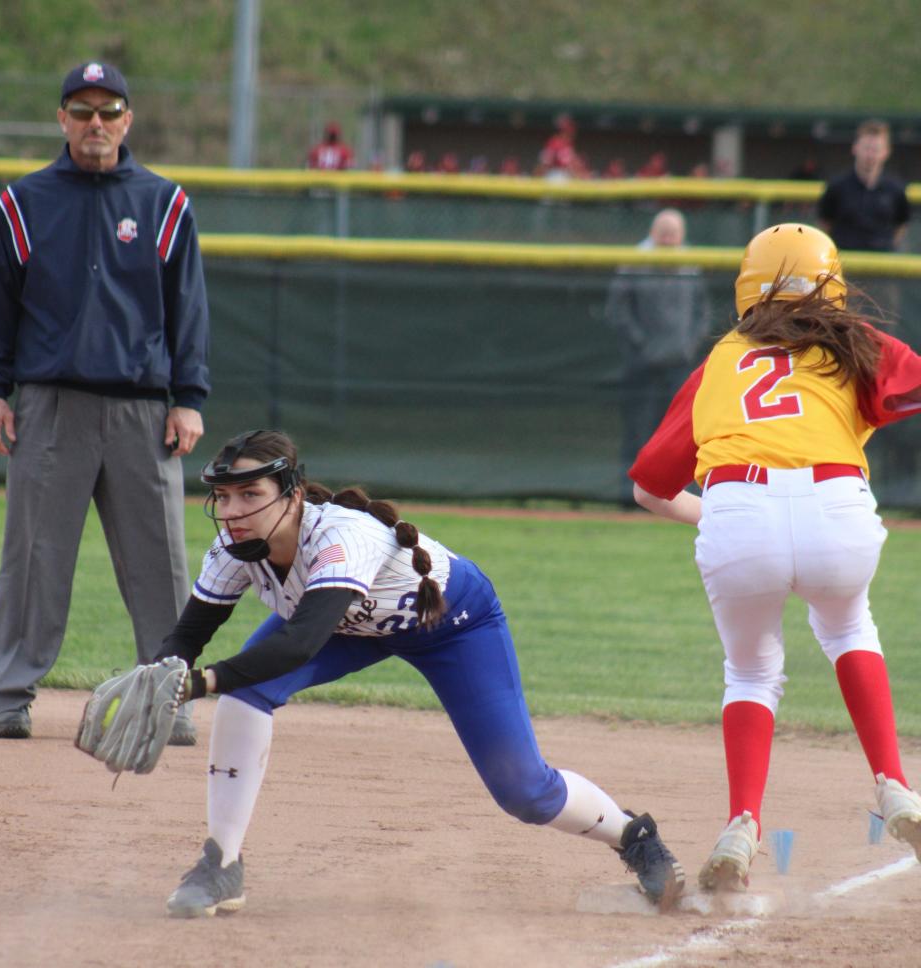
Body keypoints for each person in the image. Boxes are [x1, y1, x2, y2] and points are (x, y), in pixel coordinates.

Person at [156, 429, 684, 917]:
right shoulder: (233, 546)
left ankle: (633, 837)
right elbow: (188, 635)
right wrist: (157, 676)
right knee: (246, 695)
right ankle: (221, 865)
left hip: (451, 623)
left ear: (292, 495)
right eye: (224, 497)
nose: (233, 511)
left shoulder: (342, 538)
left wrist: (200, 683)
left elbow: (298, 644)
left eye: (251, 494)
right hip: (344, 627)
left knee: (525, 792)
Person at [630, 223, 921, 892]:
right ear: (833, 285)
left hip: (739, 514)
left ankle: (741, 824)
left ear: (747, 289)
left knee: (752, 673)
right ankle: (896, 786)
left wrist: (724, 515)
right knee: (850, 627)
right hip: (838, 509)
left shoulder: (723, 360)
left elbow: (649, 487)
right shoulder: (854, 343)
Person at [0, 61, 210, 743]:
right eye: (81, 110)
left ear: (128, 120)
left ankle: (169, 699)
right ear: (62, 119)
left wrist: (189, 397)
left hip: (142, 411)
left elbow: (188, 311)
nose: (95, 123)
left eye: (108, 111)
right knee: (33, 561)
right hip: (50, 404)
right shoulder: (22, 203)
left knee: (160, 565)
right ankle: (10, 697)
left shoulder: (164, 204)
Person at [605, 208, 709, 504]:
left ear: (681, 236)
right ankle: (629, 498)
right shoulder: (635, 261)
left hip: (679, 362)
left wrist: (688, 345)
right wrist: (642, 345)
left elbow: (702, 311)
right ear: (653, 233)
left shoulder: (690, 263)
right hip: (641, 361)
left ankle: (679, 496)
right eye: (663, 233)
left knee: (683, 432)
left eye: (673, 234)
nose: (668, 239)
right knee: (637, 427)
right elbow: (618, 311)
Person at [817, 120, 910, 252]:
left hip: (883, 265)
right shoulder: (836, 186)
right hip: (844, 264)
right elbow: (825, 222)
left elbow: (901, 225)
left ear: (886, 152)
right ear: (855, 148)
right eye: (866, 148)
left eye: (876, 149)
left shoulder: (896, 189)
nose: (870, 155)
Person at [535, 114, 590, 180]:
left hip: (566, 177)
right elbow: (544, 164)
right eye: (568, 129)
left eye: (572, 128)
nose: (571, 131)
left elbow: (572, 166)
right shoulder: (554, 143)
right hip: (555, 176)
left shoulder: (569, 145)